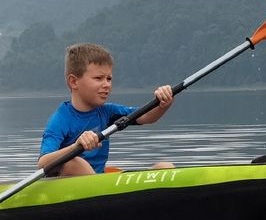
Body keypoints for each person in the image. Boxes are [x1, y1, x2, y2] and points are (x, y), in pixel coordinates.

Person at [38, 43, 174, 176]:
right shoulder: (61, 119)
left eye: (109, 79)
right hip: (69, 184)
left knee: (165, 167)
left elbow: (146, 117)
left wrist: (164, 102)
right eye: (98, 78)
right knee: (74, 162)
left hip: (99, 178)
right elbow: (43, 162)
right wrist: (76, 147)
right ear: (74, 82)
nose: (106, 85)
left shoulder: (107, 112)